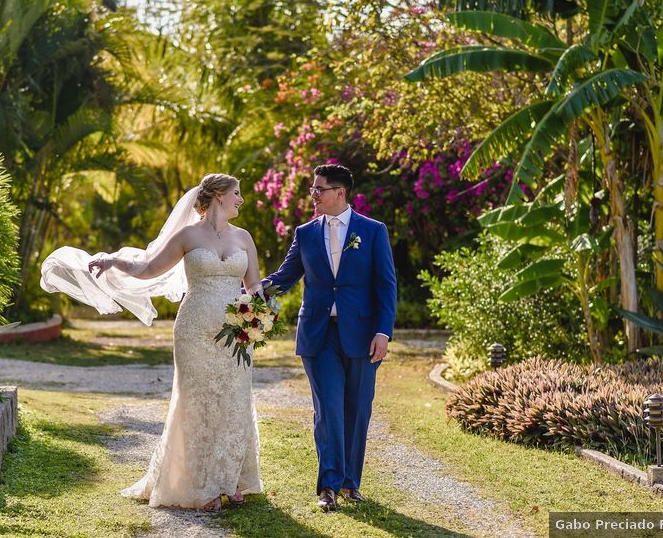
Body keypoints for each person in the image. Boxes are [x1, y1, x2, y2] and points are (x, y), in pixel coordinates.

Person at [40, 174, 263, 512]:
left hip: (235, 333)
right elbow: (148, 268)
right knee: (196, 401)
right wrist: (114, 260)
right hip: (193, 330)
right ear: (218, 196)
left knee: (234, 398)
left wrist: (261, 314)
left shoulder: (243, 238)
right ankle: (200, 486)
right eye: (236, 193)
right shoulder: (187, 235)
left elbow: (254, 285)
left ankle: (230, 479)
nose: (240, 199)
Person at [263, 164, 397, 512]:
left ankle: (352, 483)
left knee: (358, 409)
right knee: (328, 411)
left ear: (340, 193)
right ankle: (329, 487)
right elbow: (285, 277)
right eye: (312, 189)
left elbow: (386, 286)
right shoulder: (305, 233)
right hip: (319, 336)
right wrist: (245, 293)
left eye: (318, 189)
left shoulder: (372, 231)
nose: (313, 196)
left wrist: (383, 332)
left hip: (363, 335)